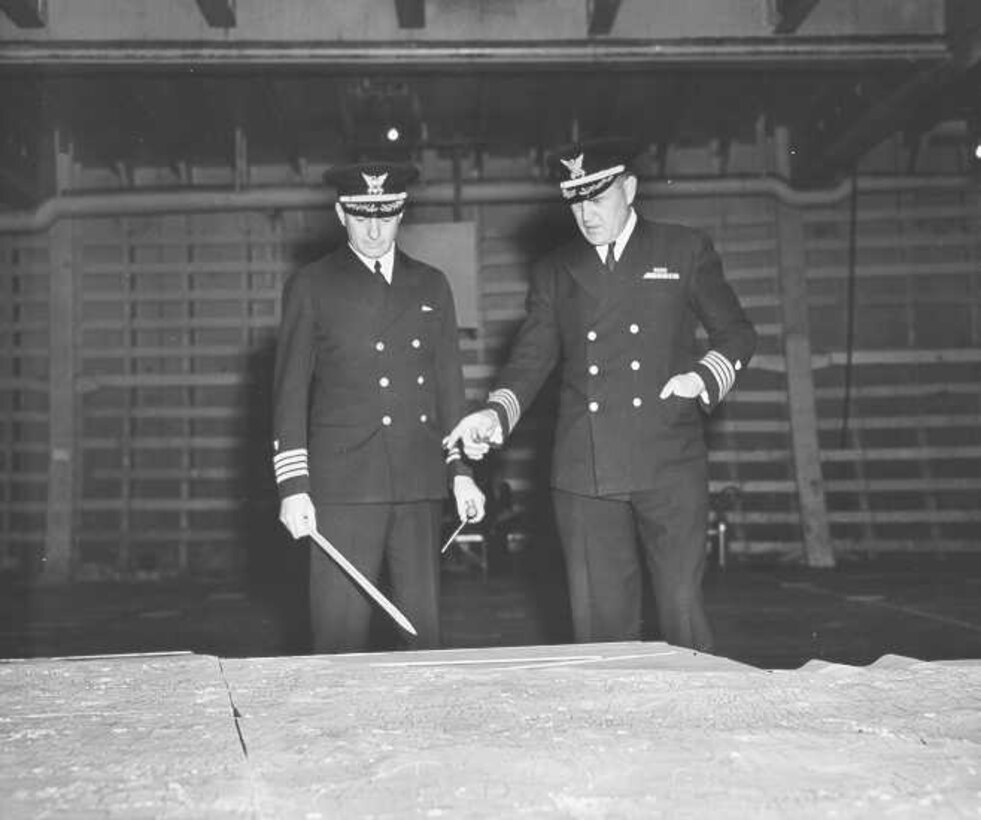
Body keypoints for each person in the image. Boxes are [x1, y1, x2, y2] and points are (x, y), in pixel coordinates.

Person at [444, 138, 756, 652]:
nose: (586, 215)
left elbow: (738, 334)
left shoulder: (682, 250)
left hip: (668, 460)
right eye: (576, 201)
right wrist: (495, 414)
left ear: (629, 189)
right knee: (601, 628)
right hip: (585, 468)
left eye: (598, 198)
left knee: (681, 611)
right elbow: (530, 359)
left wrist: (701, 378)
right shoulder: (554, 271)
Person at [272, 160, 485, 653]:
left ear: (401, 212)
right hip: (342, 487)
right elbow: (289, 395)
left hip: (418, 481)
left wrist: (461, 472)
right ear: (340, 213)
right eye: (362, 215)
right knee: (338, 636)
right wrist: (293, 488)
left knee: (422, 635)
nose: (373, 229)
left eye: (385, 215)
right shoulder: (311, 285)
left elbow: (448, 388)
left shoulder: (432, 285)